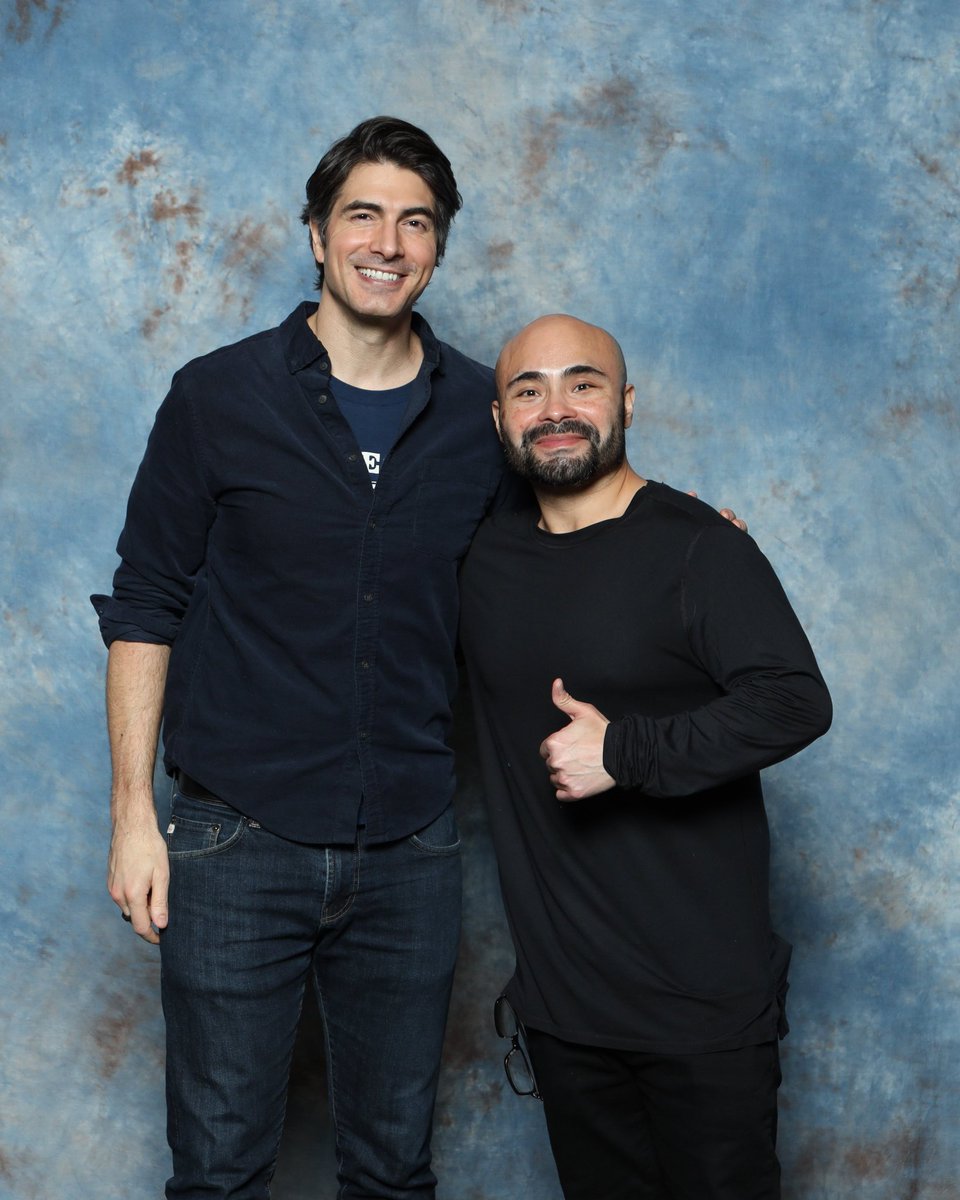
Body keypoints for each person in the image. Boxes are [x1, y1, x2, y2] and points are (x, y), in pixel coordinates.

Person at [91, 116, 509, 1200]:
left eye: (417, 221)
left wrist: (694, 538)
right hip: (236, 839)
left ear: (440, 248)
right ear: (317, 236)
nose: (389, 240)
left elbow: (572, 536)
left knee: (392, 1170)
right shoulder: (217, 398)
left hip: (411, 844)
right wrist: (136, 815)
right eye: (363, 214)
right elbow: (146, 604)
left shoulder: (482, 414)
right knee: (223, 1172)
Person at [458, 314, 833, 1200]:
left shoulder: (701, 546)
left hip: (701, 1014)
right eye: (528, 389)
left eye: (582, 384)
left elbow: (796, 701)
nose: (556, 408)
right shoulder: (480, 557)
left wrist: (624, 752)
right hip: (566, 1014)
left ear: (625, 403)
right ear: (499, 419)